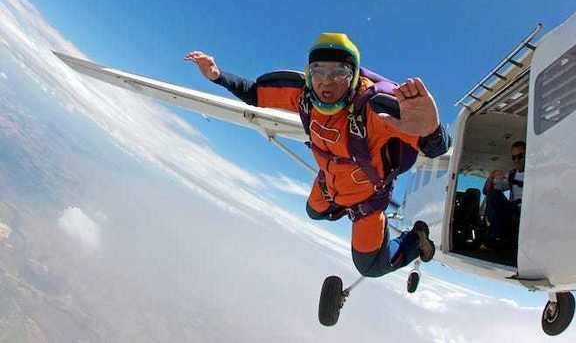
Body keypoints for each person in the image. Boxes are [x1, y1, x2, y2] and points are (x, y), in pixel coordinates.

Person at [184, 33, 450, 278]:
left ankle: (417, 239)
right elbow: (255, 93)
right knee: (314, 212)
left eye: (340, 73)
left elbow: (434, 147)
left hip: (366, 199)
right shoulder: (303, 96)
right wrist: (218, 76)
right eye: (318, 71)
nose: (327, 82)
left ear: (354, 76)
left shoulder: (376, 110)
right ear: (309, 73)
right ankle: (342, 205)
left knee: (371, 267)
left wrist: (432, 130)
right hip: (329, 185)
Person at [482, 141, 526, 246]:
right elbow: (486, 192)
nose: (516, 160)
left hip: (527, 210)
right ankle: (496, 235)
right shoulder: (512, 174)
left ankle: (499, 235)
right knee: (494, 194)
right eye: (514, 157)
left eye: (520, 156)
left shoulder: (535, 171)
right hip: (513, 209)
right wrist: (491, 176)